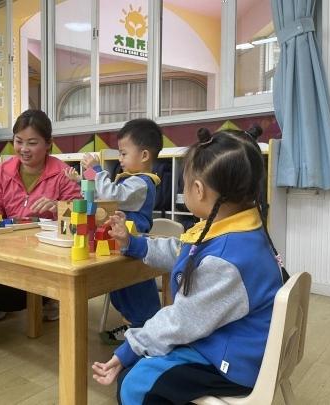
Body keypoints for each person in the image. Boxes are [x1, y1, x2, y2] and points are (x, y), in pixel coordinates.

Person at [92, 127, 285, 404]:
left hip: (231, 360)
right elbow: (183, 250)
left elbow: (181, 320)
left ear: (199, 190)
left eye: (184, 184)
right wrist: (134, 244)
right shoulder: (239, 229)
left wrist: (130, 348)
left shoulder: (225, 261)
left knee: (134, 384)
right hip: (234, 340)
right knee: (143, 365)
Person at [65, 118, 164, 345]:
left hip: (133, 242)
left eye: (123, 153)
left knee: (136, 289)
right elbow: (101, 194)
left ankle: (146, 330)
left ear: (144, 155)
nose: (120, 159)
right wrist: (82, 180)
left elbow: (111, 194)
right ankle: (132, 327)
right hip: (119, 241)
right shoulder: (130, 180)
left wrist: (97, 169)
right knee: (119, 287)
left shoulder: (142, 183)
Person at [0, 109, 81, 322]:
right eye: (19, 141)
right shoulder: (3, 170)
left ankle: (50, 299)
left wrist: (58, 207)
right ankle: (2, 300)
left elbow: (78, 215)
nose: (24, 149)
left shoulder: (63, 173)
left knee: (37, 287)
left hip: (46, 256)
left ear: (48, 144)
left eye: (32, 143)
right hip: (10, 252)